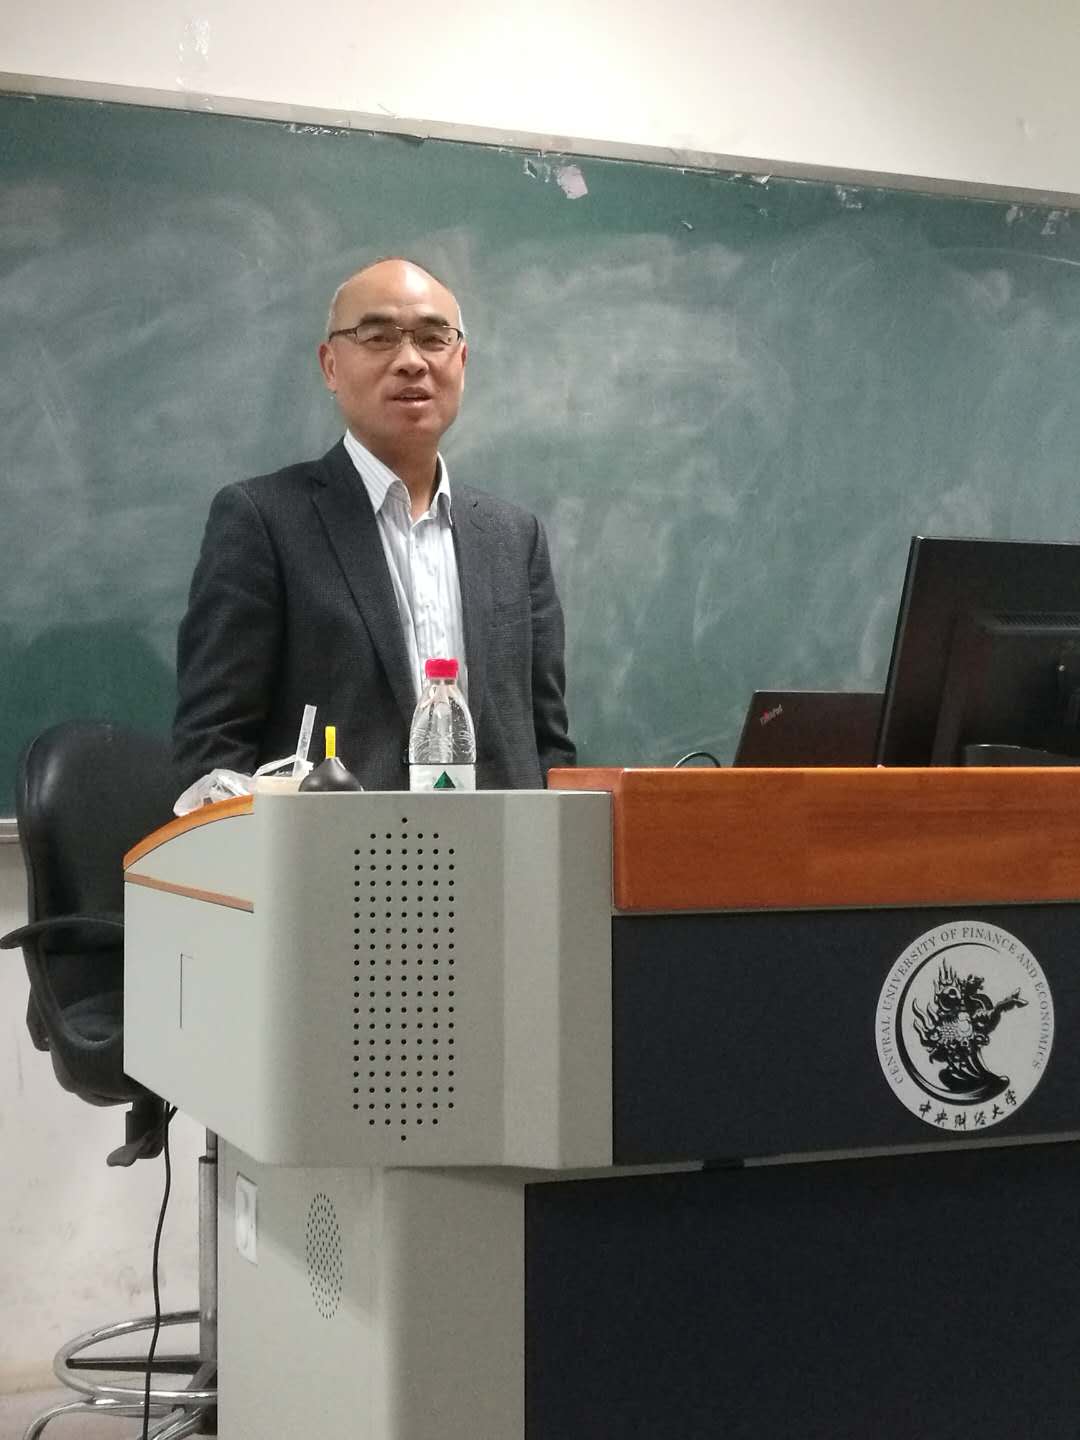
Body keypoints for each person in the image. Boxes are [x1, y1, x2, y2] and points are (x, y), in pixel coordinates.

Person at [173, 258, 575, 789]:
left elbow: (550, 749)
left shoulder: (514, 538)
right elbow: (214, 752)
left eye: (433, 338)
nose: (411, 361)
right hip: (335, 842)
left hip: (503, 841)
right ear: (330, 366)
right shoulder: (263, 522)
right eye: (379, 337)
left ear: (461, 361)